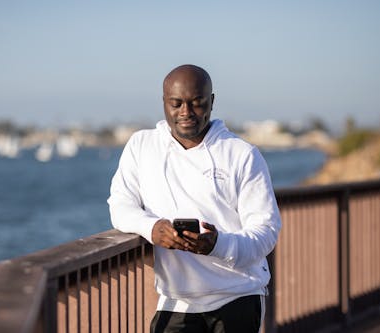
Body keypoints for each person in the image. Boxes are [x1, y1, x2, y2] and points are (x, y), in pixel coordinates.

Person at [107, 64, 281, 333]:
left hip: (238, 296)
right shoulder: (142, 146)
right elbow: (120, 205)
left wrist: (218, 244)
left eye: (196, 103)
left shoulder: (242, 154)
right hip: (176, 302)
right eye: (176, 104)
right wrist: (151, 228)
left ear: (211, 102)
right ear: (163, 103)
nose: (185, 112)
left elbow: (266, 232)